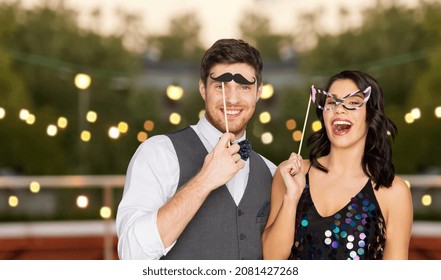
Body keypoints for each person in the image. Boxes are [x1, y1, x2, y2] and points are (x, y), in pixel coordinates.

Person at [116, 38, 277, 260]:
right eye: (220, 86)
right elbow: (131, 254)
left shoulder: (270, 172)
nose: (232, 99)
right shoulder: (159, 153)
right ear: (203, 89)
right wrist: (205, 180)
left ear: (258, 93)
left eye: (244, 87)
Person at [262, 70, 413, 260]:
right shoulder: (291, 173)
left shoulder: (394, 192)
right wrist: (291, 197)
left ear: (370, 115)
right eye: (332, 102)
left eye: (353, 103)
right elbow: (270, 260)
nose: (339, 109)